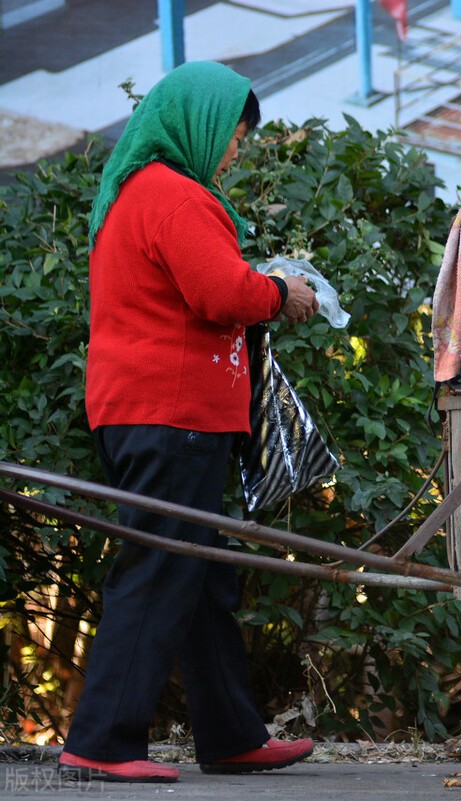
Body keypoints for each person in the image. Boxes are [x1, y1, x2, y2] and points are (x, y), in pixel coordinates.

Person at [58, 60, 319, 784]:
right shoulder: (175, 197)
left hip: (143, 410)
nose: (235, 151)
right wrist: (279, 292)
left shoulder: (136, 194)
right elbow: (219, 290)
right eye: (233, 136)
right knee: (164, 564)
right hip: (171, 412)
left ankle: (230, 732)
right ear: (198, 126)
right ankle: (103, 739)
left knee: (198, 576)